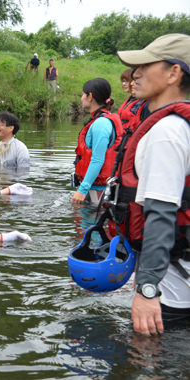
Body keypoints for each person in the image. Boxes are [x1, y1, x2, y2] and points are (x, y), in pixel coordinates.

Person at [108, 34, 190, 334]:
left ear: (173, 73)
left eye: (145, 65)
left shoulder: (167, 132)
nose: (136, 73)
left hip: (170, 291)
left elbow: (161, 215)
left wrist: (147, 290)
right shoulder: (179, 125)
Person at [72, 78, 123, 207]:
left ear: (90, 96)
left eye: (83, 94)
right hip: (94, 188)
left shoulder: (101, 123)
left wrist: (82, 190)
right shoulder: (99, 120)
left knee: (89, 226)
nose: (81, 97)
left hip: (98, 192)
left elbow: (97, 160)